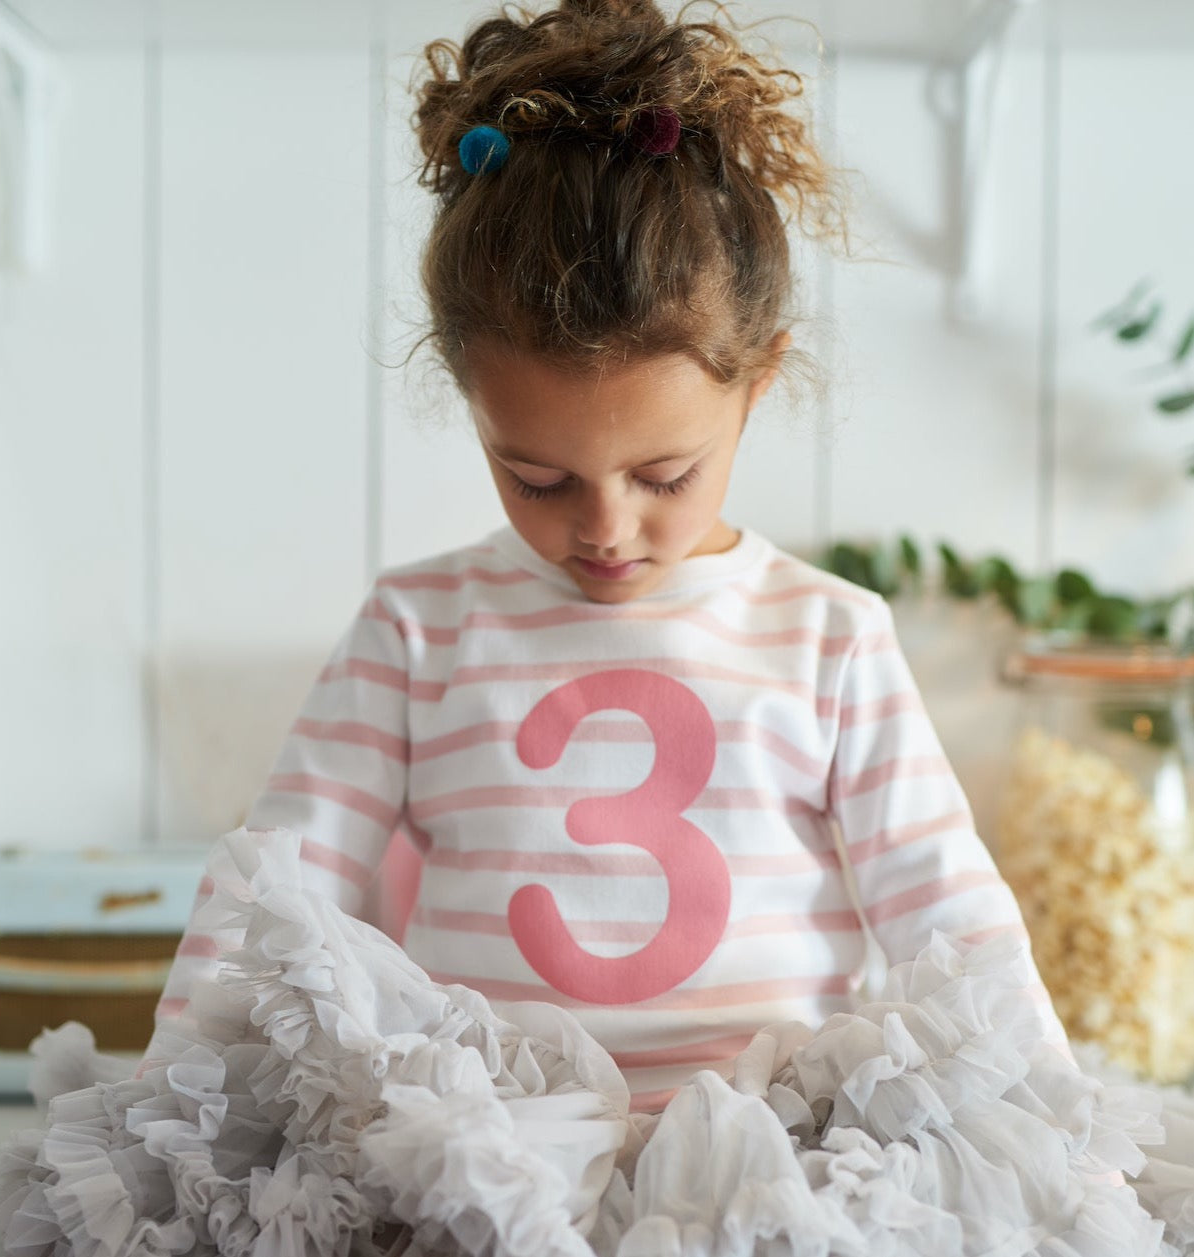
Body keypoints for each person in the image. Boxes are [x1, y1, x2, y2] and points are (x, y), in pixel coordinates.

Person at [150, 0, 1063, 1115]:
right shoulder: (419, 628)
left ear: (758, 384)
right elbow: (276, 891)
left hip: (766, 1148)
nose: (604, 529)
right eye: (536, 479)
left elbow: (950, 919)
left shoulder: (829, 638)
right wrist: (174, 1109)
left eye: (663, 476)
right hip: (480, 1139)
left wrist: (1055, 1128)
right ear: (470, 397)